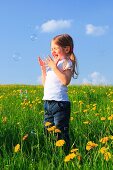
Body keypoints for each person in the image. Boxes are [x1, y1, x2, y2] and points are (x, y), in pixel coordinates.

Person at [38, 34, 78, 153]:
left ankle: (65, 154)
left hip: (60, 104)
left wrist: (53, 67)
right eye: (51, 49)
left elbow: (65, 81)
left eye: (55, 48)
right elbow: (45, 84)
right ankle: (53, 154)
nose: (52, 51)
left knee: (61, 131)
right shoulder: (53, 66)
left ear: (66, 49)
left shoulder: (67, 63)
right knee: (48, 131)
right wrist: (44, 70)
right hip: (48, 103)